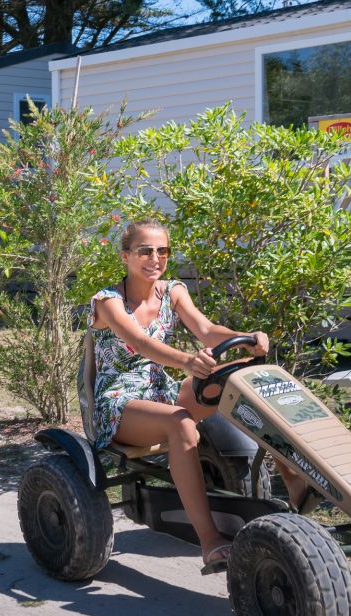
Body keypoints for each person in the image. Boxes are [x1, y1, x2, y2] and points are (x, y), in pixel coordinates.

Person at [88, 220, 303, 574]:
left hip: (162, 392)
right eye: (145, 251)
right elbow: (140, 343)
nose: (155, 258)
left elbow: (206, 330)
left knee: (243, 376)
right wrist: (188, 361)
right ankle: (210, 541)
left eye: (162, 251)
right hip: (120, 403)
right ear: (125, 256)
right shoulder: (108, 302)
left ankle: (292, 478)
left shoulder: (172, 292)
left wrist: (247, 337)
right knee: (182, 424)